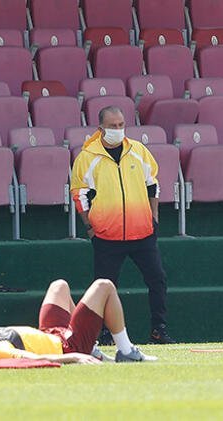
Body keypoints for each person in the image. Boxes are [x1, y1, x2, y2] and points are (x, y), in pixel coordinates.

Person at [70, 106, 174, 344]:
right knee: (105, 287)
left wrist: (154, 217)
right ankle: (105, 333)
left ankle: (159, 329)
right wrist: (90, 228)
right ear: (100, 128)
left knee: (157, 279)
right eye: (112, 126)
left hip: (143, 232)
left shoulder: (138, 150)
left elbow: (152, 185)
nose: (118, 130)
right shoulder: (87, 157)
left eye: (120, 125)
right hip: (107, 236)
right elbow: (79, 195)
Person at [0, 279, 155, 363]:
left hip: (50, 333)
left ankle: (93, 349)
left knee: (59, 285)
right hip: (67, 346)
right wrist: (74, 356)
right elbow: (33, 359)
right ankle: (126, 352)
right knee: (104, 286)